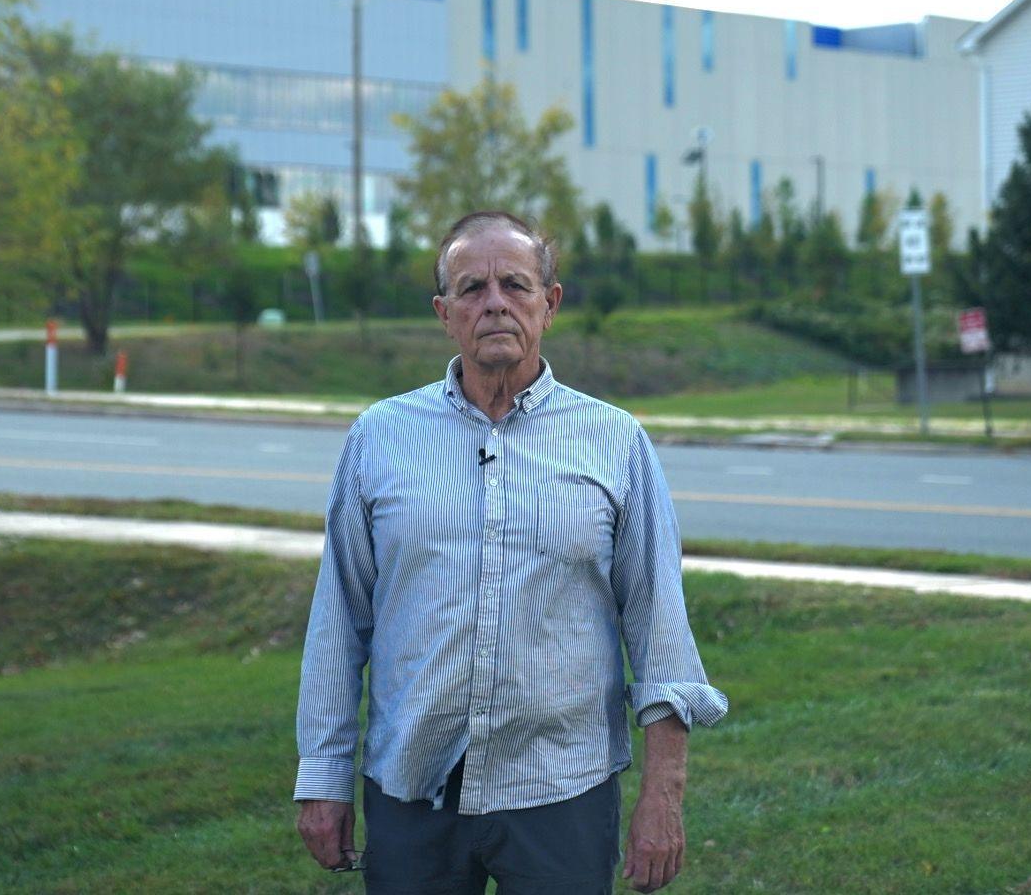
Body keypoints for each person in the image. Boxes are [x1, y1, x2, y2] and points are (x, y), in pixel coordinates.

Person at [294, 210, 727, 893]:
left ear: (549, 305)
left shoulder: (615, 442)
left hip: (564, 793)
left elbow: (659, 629)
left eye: (514, 285)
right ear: (444, 313)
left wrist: (663, 796)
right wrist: (322, 776)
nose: (493, 302)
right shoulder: (380, 437)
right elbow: (339, 620)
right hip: (413, 793)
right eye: (471, 288)